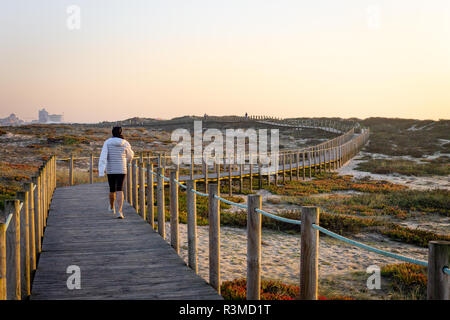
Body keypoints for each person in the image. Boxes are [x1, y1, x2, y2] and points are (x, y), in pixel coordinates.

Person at [98, 127, 134, 219]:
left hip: (111, 169)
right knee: (119, 189)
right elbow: (130, 156)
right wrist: (126, 161)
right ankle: (119, 211)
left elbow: (103, 156)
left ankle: (112, 206)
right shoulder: (125, 143)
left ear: (112, 133)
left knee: (112, 189)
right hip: (122, 168)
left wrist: (101, 171)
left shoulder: (107, 142)